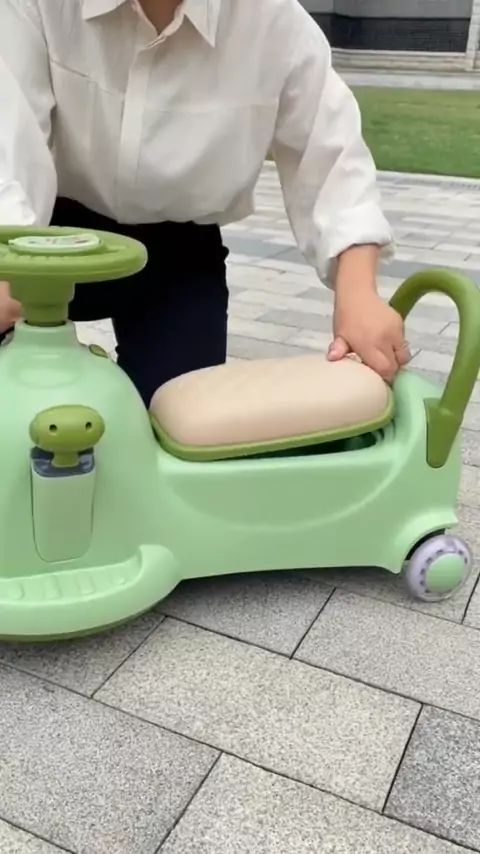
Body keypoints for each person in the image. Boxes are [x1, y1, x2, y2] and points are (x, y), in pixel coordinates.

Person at [0, 0, 410, 407]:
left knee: (179, 417)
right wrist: (7, 261)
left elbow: (331, 157)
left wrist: (359, 294)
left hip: (178, 255)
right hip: (46, 240)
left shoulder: (272, 20)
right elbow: (9, 139)